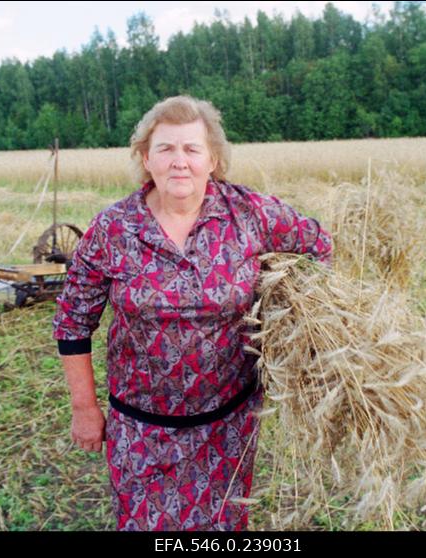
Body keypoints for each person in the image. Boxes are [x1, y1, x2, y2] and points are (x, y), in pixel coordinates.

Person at [52, 95, 332, 531]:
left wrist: (297, 325)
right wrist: (83, 408)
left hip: (228, 424)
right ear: (146, 159)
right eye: (165, 149)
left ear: (213, 159)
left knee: (221, 528)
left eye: (191, 149)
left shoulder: (250, 214)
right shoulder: (112, 229)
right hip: (141, 429)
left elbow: (319, 249)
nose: (178, 161)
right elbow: (72, 320)